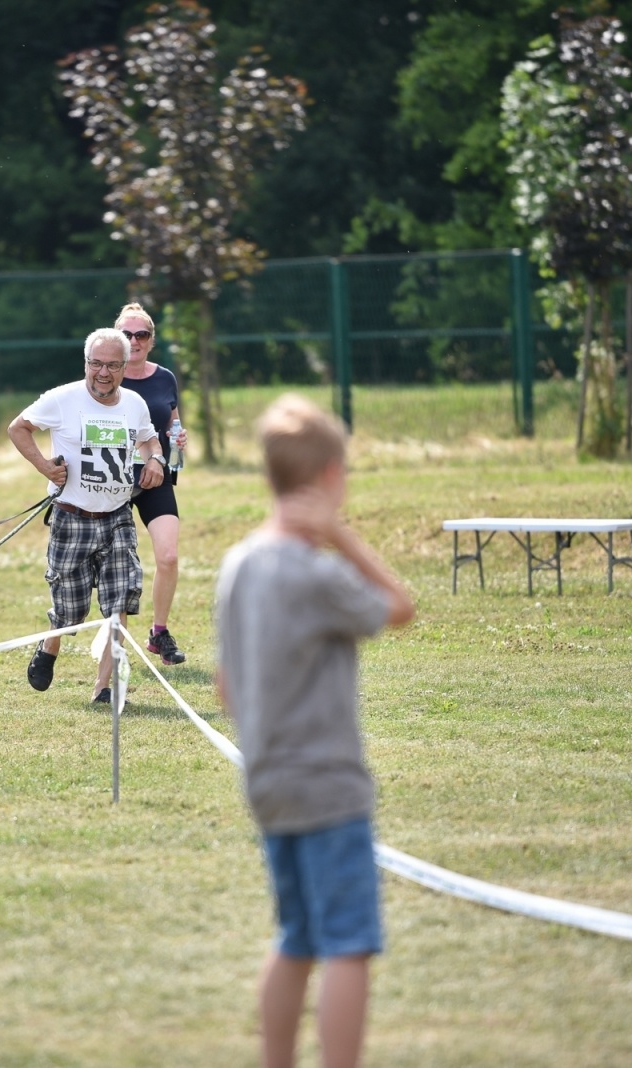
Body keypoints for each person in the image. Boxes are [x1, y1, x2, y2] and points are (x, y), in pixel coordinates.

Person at [214, 394, 415, 1068]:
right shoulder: (316, 571)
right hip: (328, 782)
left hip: (266, 777)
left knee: (295, 937)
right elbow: (399, 607)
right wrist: (344, 538)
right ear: (331, 477)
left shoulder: (239, 563)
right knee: (347, 945)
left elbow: (225, 687)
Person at [8, 328, 164, 703]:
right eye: (96, 363)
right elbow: (18, 428)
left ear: (125, 366)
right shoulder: (61, 399)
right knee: (70, 610)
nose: (103, 372)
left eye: (112, 365)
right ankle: (50, 645)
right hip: (71, 517)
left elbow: (148, 438)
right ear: (85, 363)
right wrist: (45, 467)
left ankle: (103, 687)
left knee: (119, 603)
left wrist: (155, 459)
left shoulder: (135, 404)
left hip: (117, 517)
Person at [114, 302, 189, 666]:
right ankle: (114, 649)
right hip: (112, 479)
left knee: (169, 556)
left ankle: (159, 632)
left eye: (141, 334)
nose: (134, 341)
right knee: (116, 565)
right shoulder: (105, 375)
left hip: (156, 474)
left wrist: (178, 438)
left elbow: (172, 421)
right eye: (126, 334)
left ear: (151, 339)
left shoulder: (165, 377)